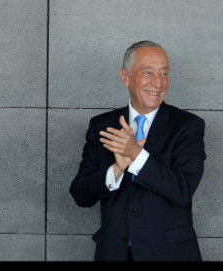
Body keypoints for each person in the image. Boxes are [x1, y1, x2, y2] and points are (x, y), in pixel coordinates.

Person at [69, 40, 206, 261]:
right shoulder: (102, 126)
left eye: (163, 73)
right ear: (125, 77)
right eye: (147, 73)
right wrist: (115, 169)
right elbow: (80, 194)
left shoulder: (188, 126)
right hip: (114, 253)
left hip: (170, 254)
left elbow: (182, 190)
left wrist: (136, 155)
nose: (158, 83)